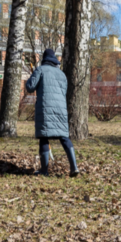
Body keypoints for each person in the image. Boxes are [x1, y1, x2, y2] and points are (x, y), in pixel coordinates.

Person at [25, 48, 79, 177]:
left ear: (44, 59)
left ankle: (44, 170)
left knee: (44, 137)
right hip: (60, 109)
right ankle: (74, 167)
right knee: (64, 137)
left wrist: (32, 78)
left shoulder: (40, 70)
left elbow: (30, 87)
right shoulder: (62, 74)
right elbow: (63, 92)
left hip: (45, 108)